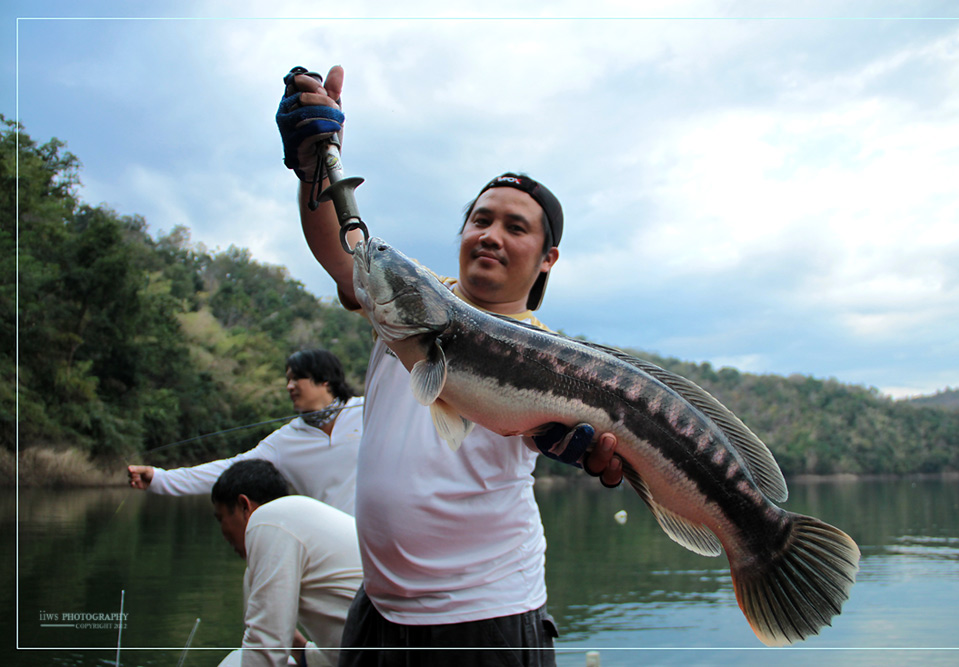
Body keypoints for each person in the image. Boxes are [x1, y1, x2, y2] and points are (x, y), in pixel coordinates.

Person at [278, 66, 624, 666]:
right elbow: (342, 250)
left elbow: (589, 446)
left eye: (516, 228)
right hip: (379, 607)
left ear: (548, 259)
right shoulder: (408, 296)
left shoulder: (553, 356)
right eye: (481, 220)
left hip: (486, 619)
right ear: (462, 232)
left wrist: (597, 452)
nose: (491, 235)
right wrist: (313, 165)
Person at [128, 349, 363, 515]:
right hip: (336, 546)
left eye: (296, 378)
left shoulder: (371, 410)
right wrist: (159, 479)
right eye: (287, 380)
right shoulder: (285, 441)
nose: (289, 387)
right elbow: (228, 470)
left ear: (325, 380)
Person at [211, 458, 363, 667]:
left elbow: (265, 647)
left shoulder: (268, 521)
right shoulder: (295, 519)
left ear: (244, 506)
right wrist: (302, 652)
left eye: (221, 519)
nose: (223, 533)